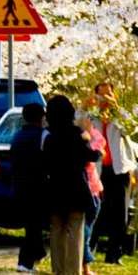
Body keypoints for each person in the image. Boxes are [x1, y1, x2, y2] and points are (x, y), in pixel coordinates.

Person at [44, 95, 103, 275]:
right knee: (75, 234)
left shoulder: (49, 137)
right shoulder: (76, 134)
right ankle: (73, 271)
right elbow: (93, 156)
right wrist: (89, 139)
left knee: (56, 232)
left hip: (54, 188)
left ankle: (58, 270)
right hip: (76, 189)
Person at [87, 82, 137, 264]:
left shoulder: (119, 118)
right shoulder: (91, 118)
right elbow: (79, 123)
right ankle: (88, 250)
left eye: (109, 95)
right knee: (96, 211)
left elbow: (132, 128)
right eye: (101, 96)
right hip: (98, 171)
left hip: (120, 169)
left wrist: (116, 109)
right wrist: (87, 105)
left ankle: (114, 254)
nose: (105, 100)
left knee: (120, 214)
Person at [13, 102, 48, 272]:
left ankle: (35, 255)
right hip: (39, 186)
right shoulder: (42, 136)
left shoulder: (18, 136)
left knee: (31, 225)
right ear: (42, 117)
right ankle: (26, 261)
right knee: (34, 226)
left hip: (21, 185)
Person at [78, 110, 106, 274]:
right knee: (85, 230)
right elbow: (96, 153)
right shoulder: (80, 139)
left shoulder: (89, 136)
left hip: (95, 187)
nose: (91, 122)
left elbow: (100, 144)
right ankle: (85, 265)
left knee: (87, 228)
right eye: (88, 120)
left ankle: (84, 264)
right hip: (87, 188)